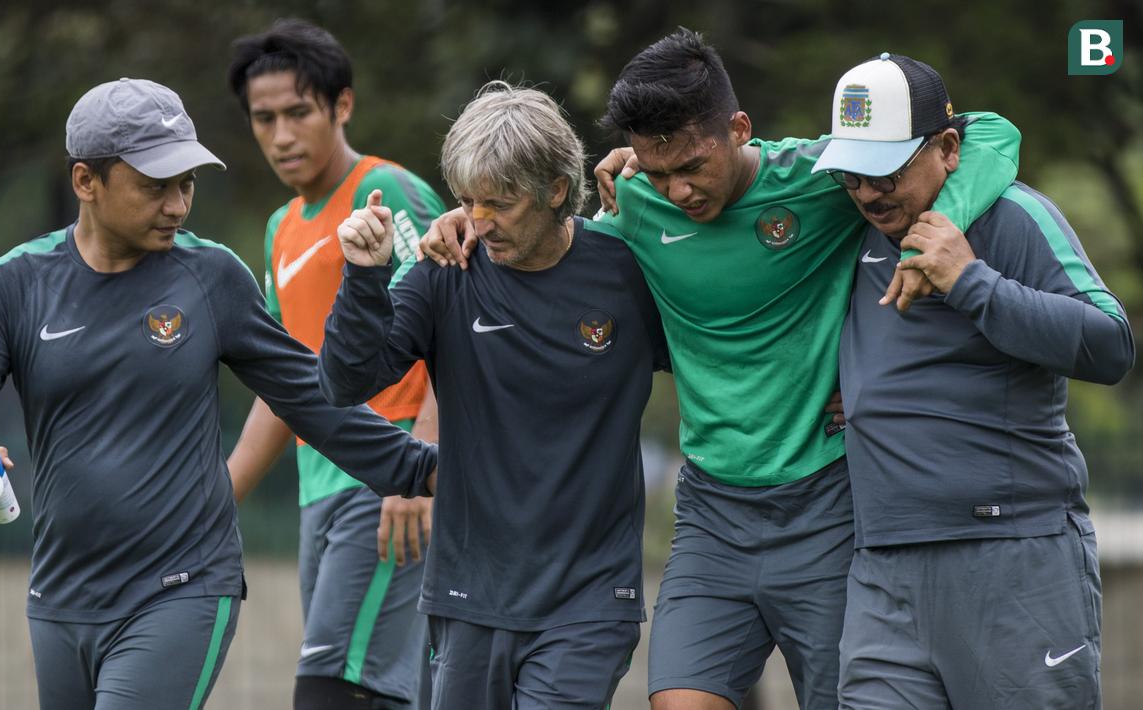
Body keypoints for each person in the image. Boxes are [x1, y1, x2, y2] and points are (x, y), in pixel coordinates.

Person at [419, 29, 1020, 710]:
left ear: (738, 129)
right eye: (656, 167)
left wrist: (929, 236)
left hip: (826, 504)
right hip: (709, 515)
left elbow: (990, 133)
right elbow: (552, 254)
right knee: (677, 700)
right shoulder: (632, 205)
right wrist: (471, 216)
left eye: (694, 166)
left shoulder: (822, 179)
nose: (677, 190)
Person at [0, 77, 437, 710]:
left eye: (186, 182)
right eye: (154, 186)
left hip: (181, 588)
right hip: (59, 600)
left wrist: (432, 472)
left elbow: (313, 401)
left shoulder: (212, 277)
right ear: (87, 182)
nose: (177, 204)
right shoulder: (15, 284)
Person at [317, 81, 671, 709]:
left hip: (589, 600)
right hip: (468, 594)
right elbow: (346, 381)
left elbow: (719, 349)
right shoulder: (443, 270)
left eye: (499, 204)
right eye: (468, 202)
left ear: (556, 191)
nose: (479, 222)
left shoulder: (628, 268)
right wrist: (365, 277)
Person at [816, 53, 1134, 709]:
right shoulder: (850, 228)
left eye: (886, 170)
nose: (868, 191)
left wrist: (970, 281)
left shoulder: (1014, 217)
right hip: (881, 566)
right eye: (851, 172)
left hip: (1013, 558)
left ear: (948, 148)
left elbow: (1109, 345)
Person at [225, 20, 446, 709]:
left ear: (340, 105)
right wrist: (209, 503)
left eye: (298, 112)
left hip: (387, 488)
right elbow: (282, 384)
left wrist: (420, 472)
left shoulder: (387, 192)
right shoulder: (280, 226)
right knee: (379, 690)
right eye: (264, 119)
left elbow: (453, 340)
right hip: (317, 496)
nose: (281, 135)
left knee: (329, 689)